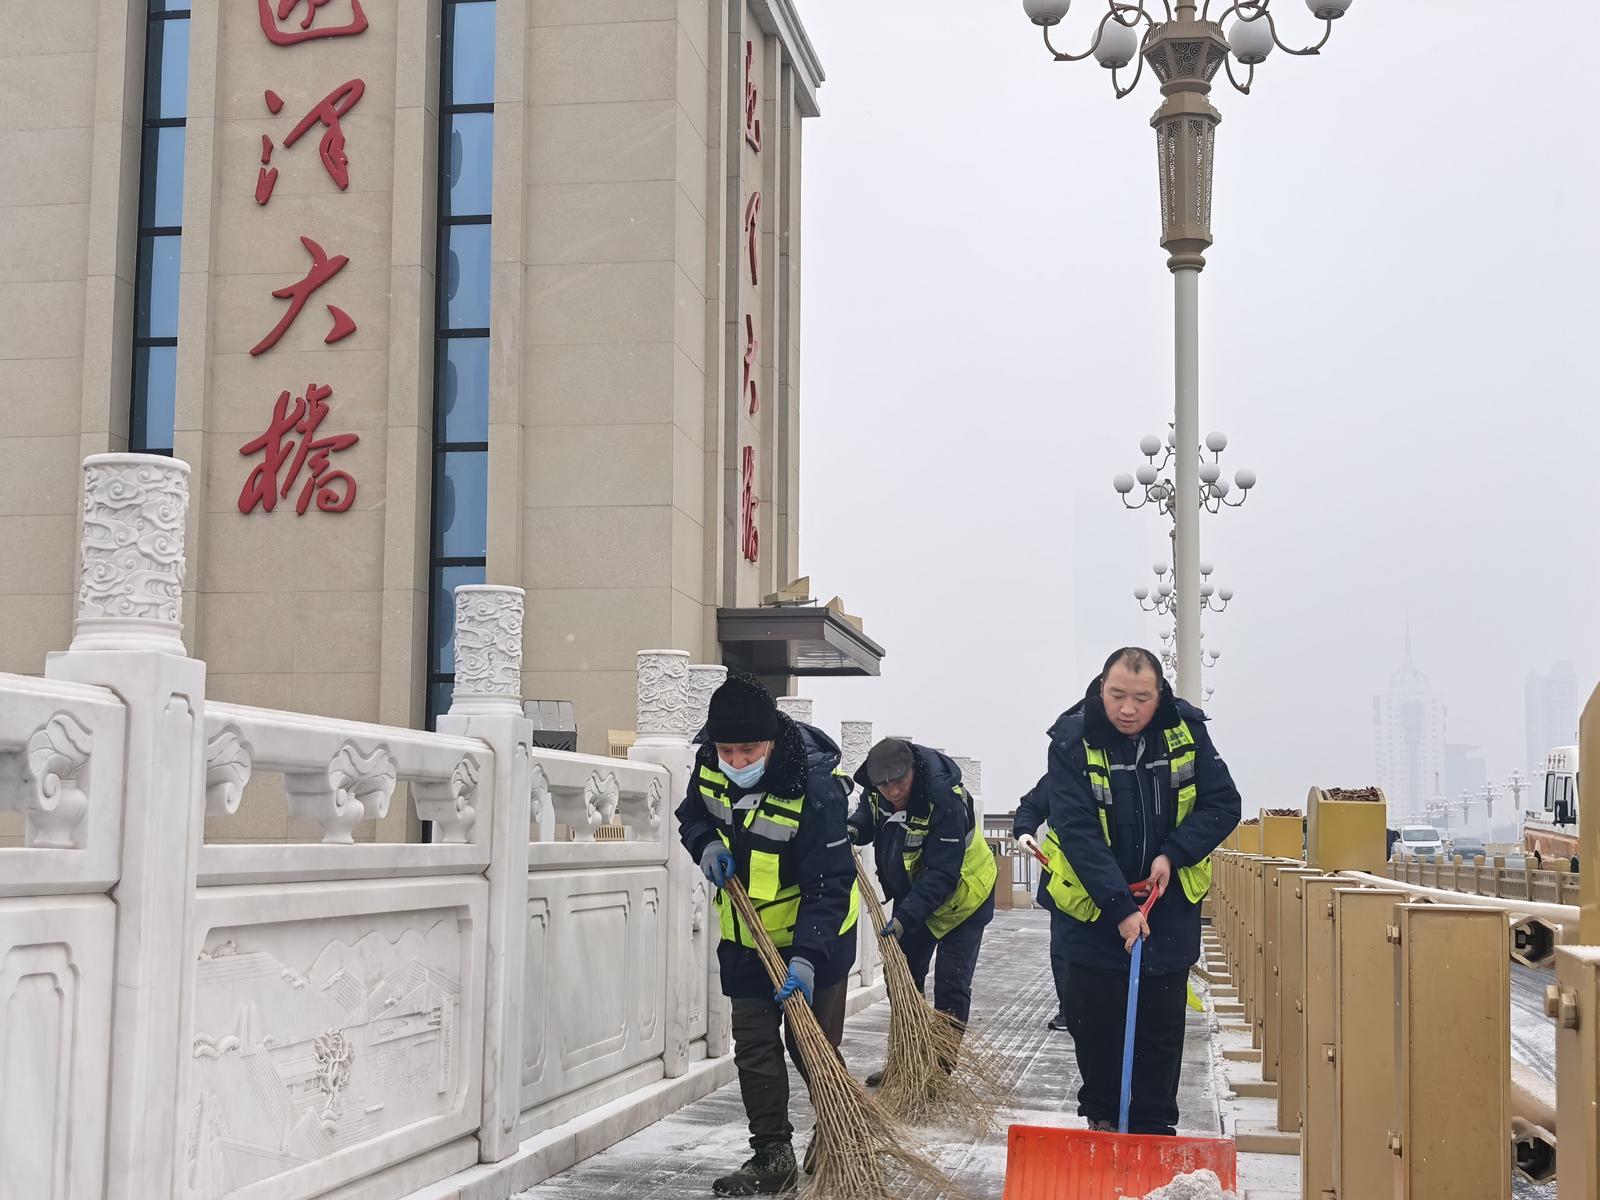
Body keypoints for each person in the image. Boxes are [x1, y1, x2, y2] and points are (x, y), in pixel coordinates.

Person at [1040, 647, 1240, 1136]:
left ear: (1159, 696)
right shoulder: (1071, 741)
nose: (1127, 709)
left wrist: (1172, 853)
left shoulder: (1187, 733)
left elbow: (1223, 804)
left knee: (1161, 1031)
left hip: (1166, 910)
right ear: (1101, 687)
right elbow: (1077, 831)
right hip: (1091, 911)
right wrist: (1118, 908)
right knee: (1093, 1025)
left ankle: (1154, 1131)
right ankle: (1104, 1122)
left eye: (1141, 698)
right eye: (1117, 695)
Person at [675, 672, 860, 1196]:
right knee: (754, 1045)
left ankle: (837, 1131)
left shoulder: (814, 788)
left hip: (815, 940)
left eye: (747, 750)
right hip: (745, 936)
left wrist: (806, 957)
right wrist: (706, 845)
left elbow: (829, 882)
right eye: (726, 750)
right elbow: (692, 816)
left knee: (812, 1046)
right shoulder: (708, 764)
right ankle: (772, 1152)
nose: (735, 762)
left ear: (772, 742)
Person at [848, 737, 997, 1084]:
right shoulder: (878, 791)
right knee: (903, 978)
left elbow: (943, 874)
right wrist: (853, 829)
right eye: (883, 784)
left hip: (964, 899)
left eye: (899, 780)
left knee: (951, 983)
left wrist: (903, 918)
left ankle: (939, 1072)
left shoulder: (945, 800)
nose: (893, 790)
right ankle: (906, 1062)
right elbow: (868, 817)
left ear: (913, 769)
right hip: (916, 895)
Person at [1013, 779, 1072, 1031]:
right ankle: (1070, 1010)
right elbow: (1031, 806)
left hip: (1109, 884)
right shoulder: (1064, 773)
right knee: (1064, 951)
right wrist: (1024, 832)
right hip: (1065, 885)